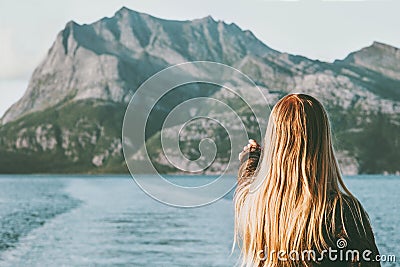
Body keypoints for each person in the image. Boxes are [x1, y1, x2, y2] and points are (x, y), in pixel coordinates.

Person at [234, 94, 380, 267]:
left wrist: (250, 158)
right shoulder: (341, 212)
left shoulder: (253, 206)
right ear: (322, 143)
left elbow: (246, 181)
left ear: (275, 141)